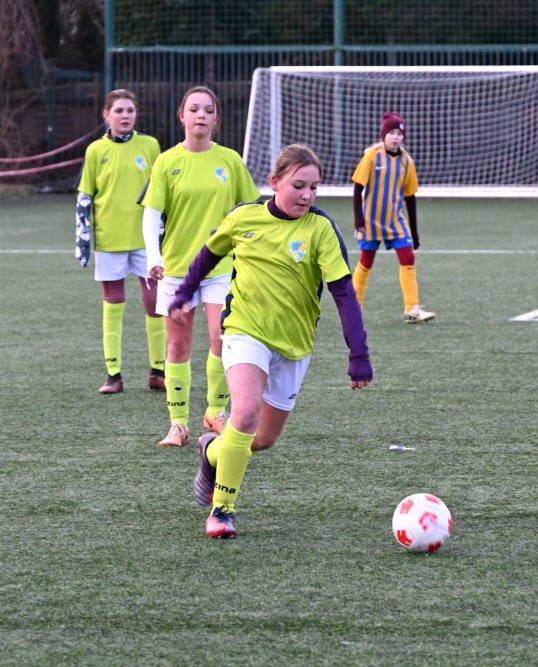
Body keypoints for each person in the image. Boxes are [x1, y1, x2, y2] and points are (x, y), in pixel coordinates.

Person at [168, 143, 371, 539]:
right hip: (244, 332)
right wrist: (184, 294)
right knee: (243, 414)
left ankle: (211, 450)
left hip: (294, 345)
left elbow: (344, 294)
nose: (307, 196)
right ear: (275, 182)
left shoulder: (320, 229)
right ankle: (222, 511)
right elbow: (207, 255)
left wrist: (358, 354)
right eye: (299, 186)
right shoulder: (244, 218)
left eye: (314, 187)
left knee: (261, 439)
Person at [141, 86, 261, 447]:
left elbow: (251, 211)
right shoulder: (166, 162)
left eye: (208, 110)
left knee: (222, 337)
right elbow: (152, 213)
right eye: (194, 109)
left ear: (216, 119)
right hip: (176, 269)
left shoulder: (230, 160)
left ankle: (215, 412)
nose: (201, 115)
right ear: (182, 116)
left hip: (221, 267)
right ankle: (177, 424)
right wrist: (153, 256)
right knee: (178, 346)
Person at [75, 89, 165, 394]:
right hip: (109, 240)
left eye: (130, 110)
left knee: (155, 303)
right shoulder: (95, 150)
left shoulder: (150, 146)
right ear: (107, 115)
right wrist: (82, 239)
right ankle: (113, 375)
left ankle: (158, 372)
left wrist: (163, 235)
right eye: (119, 111)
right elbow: (85, 196)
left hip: (144, 241)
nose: (125, 116)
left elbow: (161, 192)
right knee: (113, 303)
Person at [351, 111, 435, 323]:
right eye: (392, 133)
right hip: (370, 220)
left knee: (408, 257)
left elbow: (410, 198)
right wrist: (358, 219)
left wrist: (415, 233)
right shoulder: (372, 156)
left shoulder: (407, 161)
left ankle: (412, 309)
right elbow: (357, 188)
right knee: (366, 260)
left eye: (399, 133)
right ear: (384, 135)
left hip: (395, 220)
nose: (396, 137)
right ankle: (354, 306)